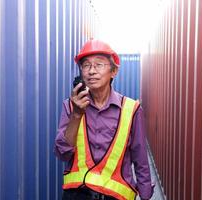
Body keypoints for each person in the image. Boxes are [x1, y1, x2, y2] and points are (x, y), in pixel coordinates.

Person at [54, 39, 153, 200]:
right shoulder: (71, 107)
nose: (91, 71)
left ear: (113, 71)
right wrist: (77, 115)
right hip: (77, 195)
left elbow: (140, 159)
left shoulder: (132, 110)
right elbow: (62, 153)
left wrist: (146, 195)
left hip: (115, 196)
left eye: (99, 65)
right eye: (86, 65)